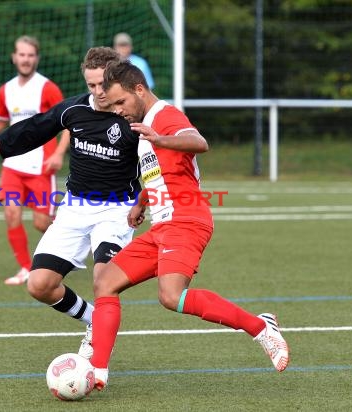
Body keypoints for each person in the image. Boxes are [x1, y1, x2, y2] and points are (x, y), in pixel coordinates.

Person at [89, 60, 290, 390]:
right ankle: (97, 372)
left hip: (187, 219)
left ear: (139, 90)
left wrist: (161, 138)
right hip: (162, 225)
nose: (119, 111)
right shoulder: (143, 129)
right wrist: (141, 204)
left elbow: (198, 142)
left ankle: (260, 327)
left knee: (170, 296)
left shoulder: (165, 117)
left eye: (121, 102)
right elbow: (158, 173)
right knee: (105, 282)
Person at [0, 47, 140, 359]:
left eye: (104, 84)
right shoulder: (74, 109)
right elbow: (30, 131)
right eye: (91, 85)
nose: (98, 92)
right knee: (39, 284)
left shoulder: (134, 118)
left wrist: (148, 200)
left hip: (116, 210)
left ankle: (97, 362)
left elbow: (158, 163)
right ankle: (94, 320)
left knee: (104, 282)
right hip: (74, 207)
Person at [0, 35, 70, 285]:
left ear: (36, 58)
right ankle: (26, 267)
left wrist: (59, 153)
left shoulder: (47, 88)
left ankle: (74, 238)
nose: (25, 60)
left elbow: (69, 122)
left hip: (41, 165)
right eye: (21, 55)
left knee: (41, 223)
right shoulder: (6, 89)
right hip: (13, 165)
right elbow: (2, 121)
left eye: (30, 55)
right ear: (14, 57)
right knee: (11, 213)